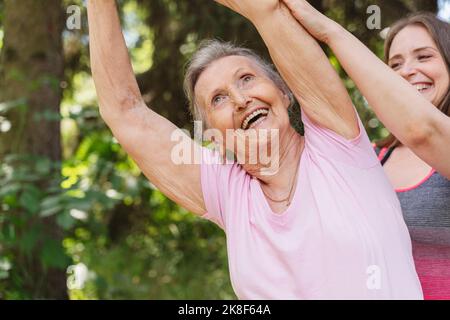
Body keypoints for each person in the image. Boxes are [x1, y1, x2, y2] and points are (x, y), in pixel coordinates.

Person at [87, 0, 422, 299]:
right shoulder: (229, 194)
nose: (240, 99)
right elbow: (124, 111)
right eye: (217, 99)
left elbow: (267, 8)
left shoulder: (337, 144)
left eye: (246, 78)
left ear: (285, 93)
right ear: (214, 138)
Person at [280, 0, 450, 299]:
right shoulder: (371, 158)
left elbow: (422, 130)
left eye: (424, 56)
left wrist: (330, 32)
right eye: (394, 64)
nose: (407, 71)